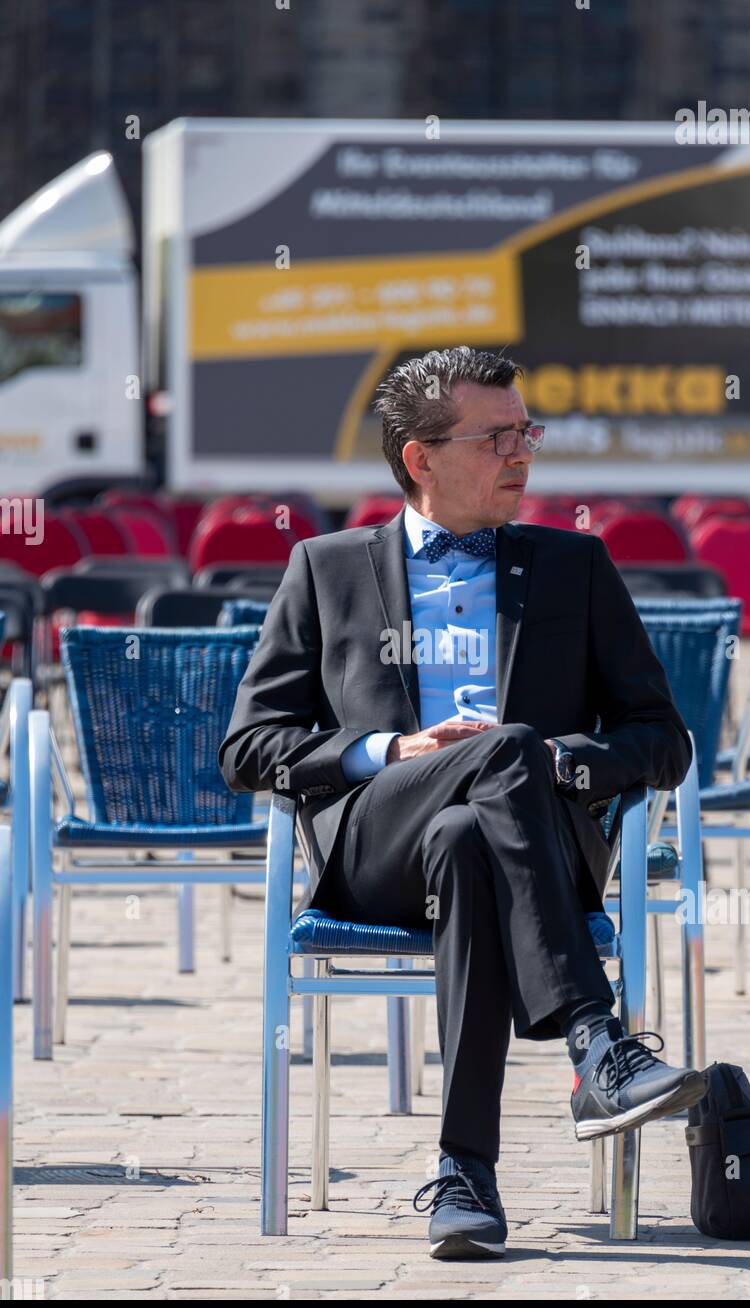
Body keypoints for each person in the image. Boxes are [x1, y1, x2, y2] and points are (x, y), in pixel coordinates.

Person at [218, 345, 706, 1260]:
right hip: (375, 850)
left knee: (470, 833)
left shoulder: (574, 566)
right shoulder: (326, 569)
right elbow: (248, 749)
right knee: (484, 769)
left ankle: (463, 1175)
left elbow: (661, 737)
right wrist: (387, 751)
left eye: (528, 433)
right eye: (498, 437)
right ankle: (596, 1040)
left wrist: (561, 762)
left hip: (523, 848)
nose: (522, 454)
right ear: (420, 457)